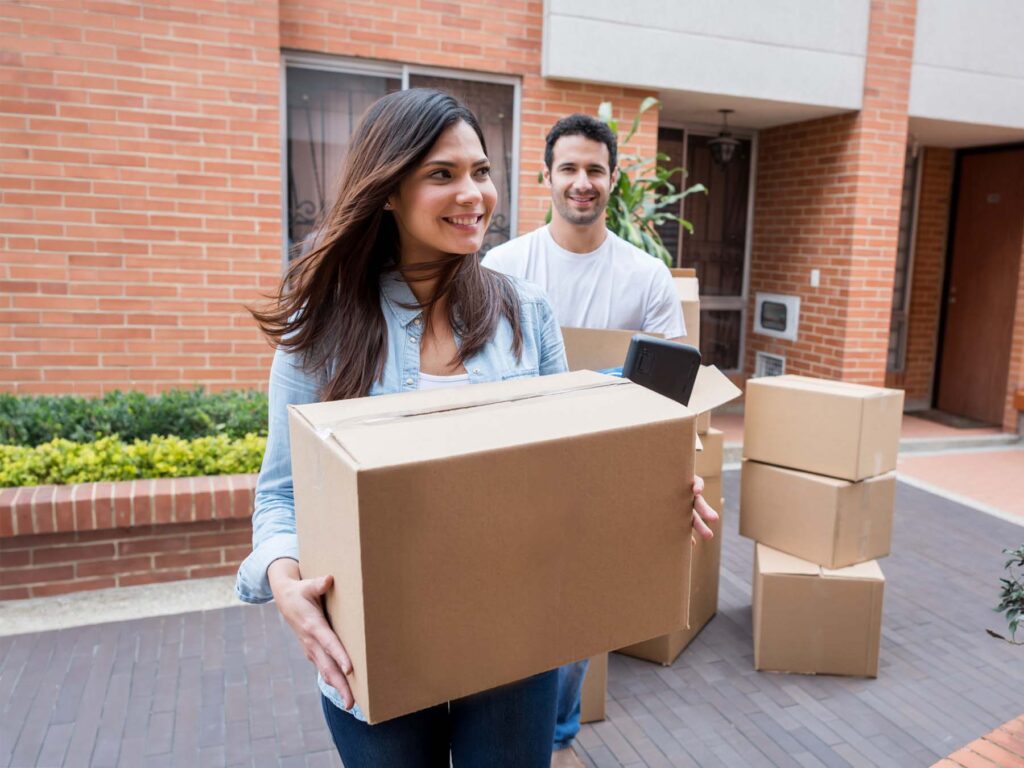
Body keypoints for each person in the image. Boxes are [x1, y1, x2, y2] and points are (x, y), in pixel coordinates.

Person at [235, 88, 568, 768]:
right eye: (442, 175)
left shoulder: (525, 313)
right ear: (387, 189)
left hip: (510, 633)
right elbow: (279, 494)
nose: (473, 194)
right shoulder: (320, 332)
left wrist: (649, 494)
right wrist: (281, 580)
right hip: (373, 638)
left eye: (480, 171)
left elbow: (573, 462)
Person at [483, 113, 718, 768]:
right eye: (569, 169)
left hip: (601, 469)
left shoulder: (645, 275)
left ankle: (558, 740)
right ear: (547, 177)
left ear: (613, 179)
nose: (581, 182)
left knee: (578, 620)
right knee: (509, 615)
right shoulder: (504, 267)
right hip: (516, 468)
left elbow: (674, 380)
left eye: (594, 169)